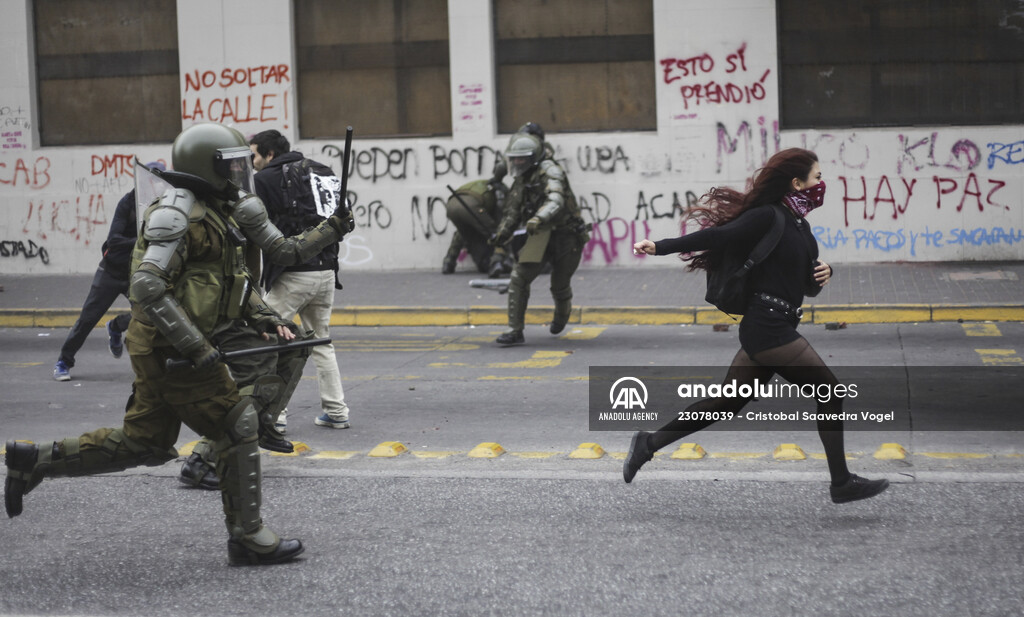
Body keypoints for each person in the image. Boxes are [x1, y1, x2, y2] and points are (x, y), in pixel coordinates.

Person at [5, 122, 354, 565]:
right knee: (236, 425)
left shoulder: (224, 208)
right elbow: (148, 286)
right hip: (169, 347)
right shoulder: (178, 214)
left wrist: (324, 238)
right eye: (229, 166)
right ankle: (248, 538)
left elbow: (251, 269)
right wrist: (196, 347)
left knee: (144, 442)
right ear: (206, 167)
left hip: (171, 344)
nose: (238, 174)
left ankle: (33, 461)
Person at [624, 147, 890, 504]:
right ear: (797, 183)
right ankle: (841, 482)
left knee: (726, 403)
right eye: (817, 178)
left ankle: (648, 443)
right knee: (830, 392)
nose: (821, 184)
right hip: (767, 327)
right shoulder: (768, 216)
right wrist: (660, 246)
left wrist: (825, 273)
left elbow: (805, 285)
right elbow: (718, 237)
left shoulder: (801, 226)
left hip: (775, 324)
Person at [247, 129, 353, 432]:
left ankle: (273, 417)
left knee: (267, 339)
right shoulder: (323, 171)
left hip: (291, 274)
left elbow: (253, 227)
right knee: (320, 339)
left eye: (254, 154)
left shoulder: (265, 179)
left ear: (269, 154)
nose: (252, 162)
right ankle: (336, 411)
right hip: (326, 270)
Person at [52, 162, 165, 381]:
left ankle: (116, 326)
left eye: (160, 182)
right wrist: (143, 241)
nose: (157, 187)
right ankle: (63, 362)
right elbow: (114, 240)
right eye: (153, 181)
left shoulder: (162, 206)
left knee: (150, 315)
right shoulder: (128, 203)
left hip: (138, 273)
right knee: (88, 318)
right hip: (112, 271)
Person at [492, 128, 589, 346]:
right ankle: (515, 330)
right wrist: (501, 235)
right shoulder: (521, 180)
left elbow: (556, 200)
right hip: (540, 235)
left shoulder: (550, 170)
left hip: (567, 234)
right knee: (519, 277)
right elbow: (512, 212)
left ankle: (561, 316)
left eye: (521, 159)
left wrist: (537, 218)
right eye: (514, 159)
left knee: (559, 284)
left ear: (533, 158)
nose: (516, 163)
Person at [442, 157, 511, 277]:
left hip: (451, 204)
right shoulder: (498, 188)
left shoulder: (480, 183)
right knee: (497, 233)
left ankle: (448, 262)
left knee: (462, 232)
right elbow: (500, 213)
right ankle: (496, 264)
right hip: (471, 206)